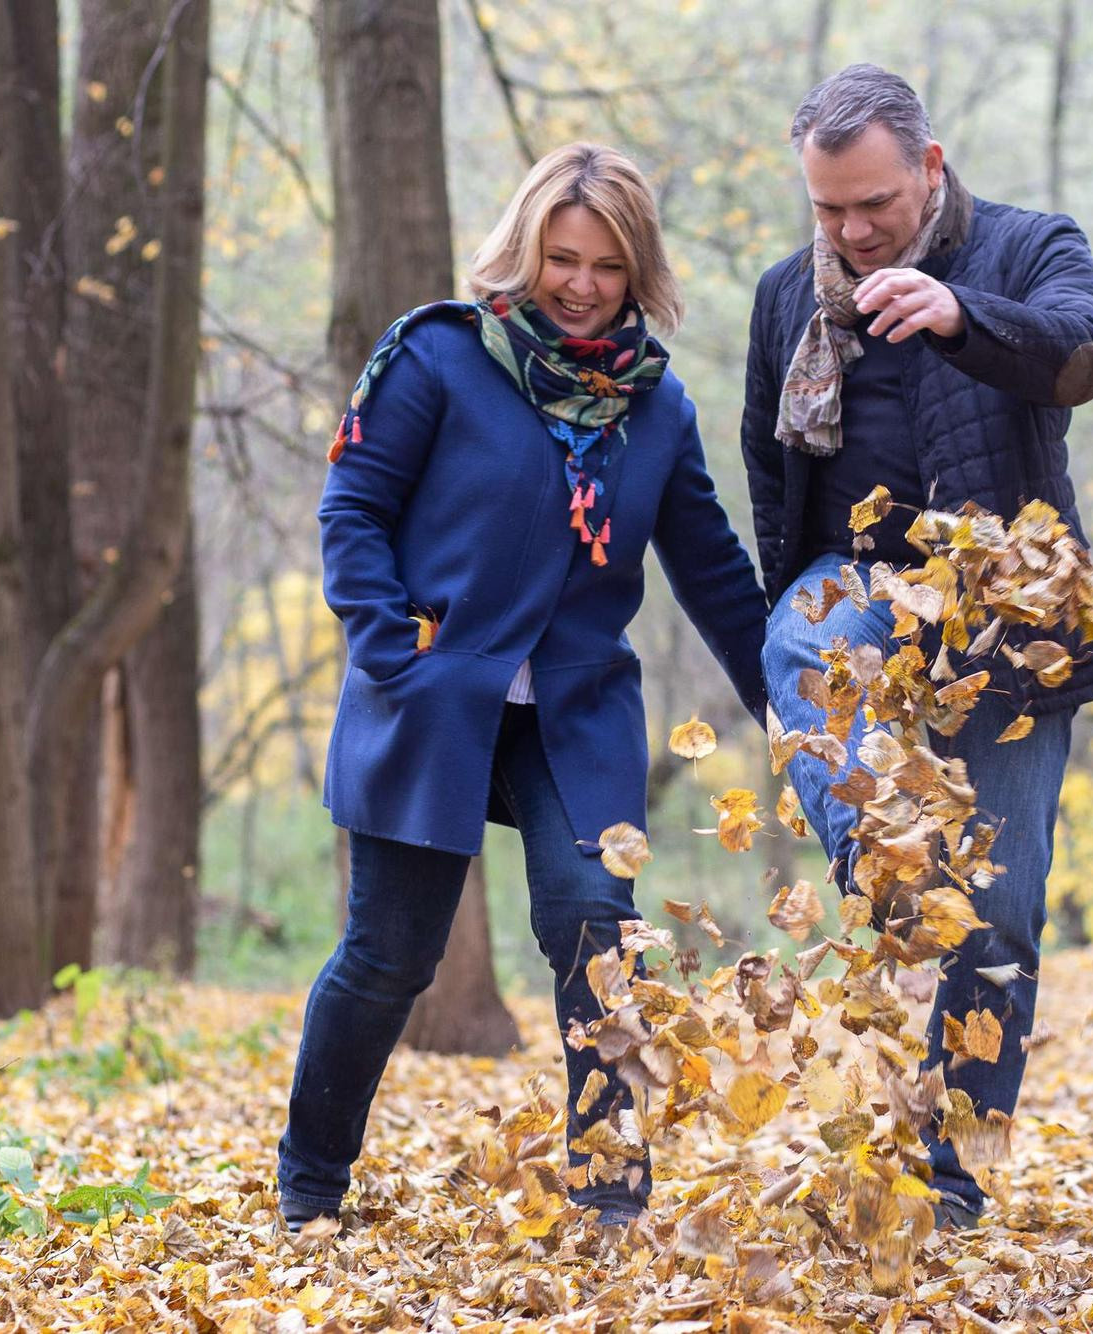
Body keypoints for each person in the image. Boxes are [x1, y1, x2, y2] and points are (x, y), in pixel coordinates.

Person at [280, 143, 768, 1233]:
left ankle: (609, 1200)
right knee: (389, 952)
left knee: (598, 923)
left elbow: (715, 572)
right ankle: (309, 1184)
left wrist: (782, 700)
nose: (583, 284)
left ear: (637, 270)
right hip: (431, 696)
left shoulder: (658, 406)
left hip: (576, 711)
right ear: (526, 250)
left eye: (606, 263)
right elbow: (351, 506)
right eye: (562, 258)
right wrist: (385, 647)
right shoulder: (440, 357)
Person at [740, 64, 1093, 1229]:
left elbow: (1085, 354)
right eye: (828, 210)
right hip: (851, 587)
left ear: (930, 167)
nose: (853, 232)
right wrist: (782, 650)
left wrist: (963, 318)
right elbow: (771, 477)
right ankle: (887, 866)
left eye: (873, 203)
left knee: (1001, 916)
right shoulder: (782, 297)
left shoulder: (1024, 248)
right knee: (801, 630)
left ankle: (951, 1185)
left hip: (1006, 612)